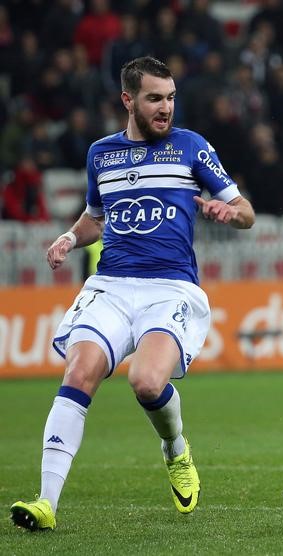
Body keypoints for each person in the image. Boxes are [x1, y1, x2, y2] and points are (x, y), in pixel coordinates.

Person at [10, 56, 255, 531]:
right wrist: (68, 237)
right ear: (128, 100)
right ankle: (46, 503)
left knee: (145, 382)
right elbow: (94, 217)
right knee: (79, 373)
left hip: (170, 288)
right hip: (112, 285)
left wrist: (231, 215)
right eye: (154, 99)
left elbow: (244, 210)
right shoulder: (102, 153)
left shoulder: (191, 147)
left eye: (170, 98)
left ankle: (175, 448)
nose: (166, 109)